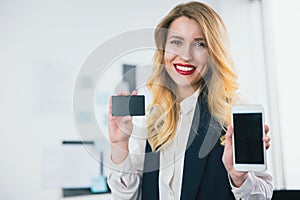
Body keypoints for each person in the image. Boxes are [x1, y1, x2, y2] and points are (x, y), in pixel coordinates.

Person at [107, 1, 273, 200]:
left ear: (213, 53)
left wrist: (239, 178)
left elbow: (262, 197)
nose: (185, 56)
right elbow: (127, 196)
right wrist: (119, 144)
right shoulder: (155, 118)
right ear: (163, 50)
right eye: (177, 42)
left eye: (199, 44)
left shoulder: (234, 112)